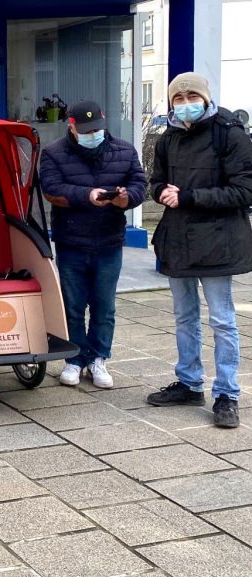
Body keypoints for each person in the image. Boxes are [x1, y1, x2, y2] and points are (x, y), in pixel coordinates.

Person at [145, 72, 252, 428]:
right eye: (178, 98)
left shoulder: (230, 134)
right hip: (178, 240)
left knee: (222, 319)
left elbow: (244, 191)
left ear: (205, 99)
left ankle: (227, 394)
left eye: (192, 97)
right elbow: (156, 181)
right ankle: (189, 383)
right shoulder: (168, 138)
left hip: (218, 241)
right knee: (184, 317)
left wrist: (189, 197)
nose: (186, 104)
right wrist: (161, 192)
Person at [39, 100, 146, 389]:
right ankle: (75, 359)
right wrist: (87, 195)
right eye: (86, 131)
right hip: (71, 241)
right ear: (71, 127)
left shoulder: (124, 150)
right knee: (73, 305)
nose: (92, 134)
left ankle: (99, 358)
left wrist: (125, 198)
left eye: (97, 129)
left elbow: (139, 184)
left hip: (109, 240)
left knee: (104, 306)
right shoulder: (53, 153)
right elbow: (51, 188)